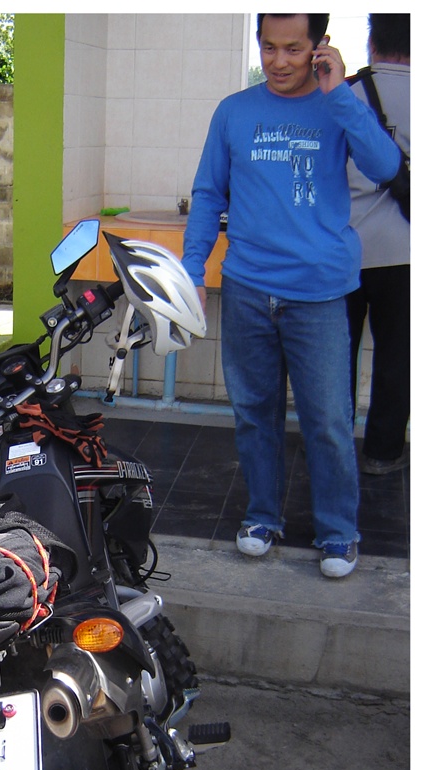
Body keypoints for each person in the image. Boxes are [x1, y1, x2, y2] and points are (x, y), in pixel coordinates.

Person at [182, 13, 402, 578]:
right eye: (269, 47)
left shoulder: (339, 104)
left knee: (328, 419)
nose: (278, 62)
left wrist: (341, 94)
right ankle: (263, 516)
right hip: (247, 287)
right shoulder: (234, 111)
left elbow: (385, 166)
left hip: (320, 293)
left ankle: (339, 531)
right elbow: (207, 194)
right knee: (254, 414)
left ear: (318, 47)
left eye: (293, 48)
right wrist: (191, 272)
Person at [346, 14, 410, 475]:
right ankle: (382, 454)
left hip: (343, 250)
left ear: (372, 41)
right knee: (397, 356)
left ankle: (329, 441)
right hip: (406, 254)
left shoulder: (345, 95)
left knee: (334, 354)